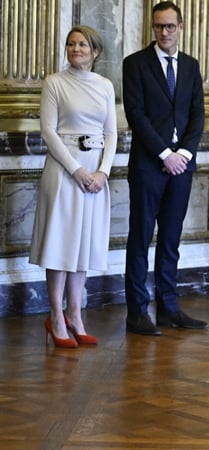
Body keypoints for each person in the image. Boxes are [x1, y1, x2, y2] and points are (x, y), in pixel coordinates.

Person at [122, 1, 207, 335]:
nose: (164, 32)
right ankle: (137, 312)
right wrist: (164, 154)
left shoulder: (190, 65)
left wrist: (183, 153)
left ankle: (169, 307)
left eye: (170, 26)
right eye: (159, 26)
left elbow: (197, 114)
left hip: (182, 167)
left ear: (181, 27)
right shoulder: (135, 64)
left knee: (171, 239)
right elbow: (136, 115)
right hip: (148, 165)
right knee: (141, 238)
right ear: (152, 28)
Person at [30, 25, 117, 348]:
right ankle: (55, 316)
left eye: (82, 44)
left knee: (83, 245)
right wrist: (77, 169)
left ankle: (76, 315)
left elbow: (111, 133)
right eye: (70, 44)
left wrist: (103, 172)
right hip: (64, 169)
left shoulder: (105, 85)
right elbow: (48, 132)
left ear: (95, 51)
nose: (76, 48)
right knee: (60, 243)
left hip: (95, 172)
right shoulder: (54, 83)